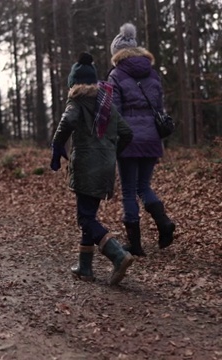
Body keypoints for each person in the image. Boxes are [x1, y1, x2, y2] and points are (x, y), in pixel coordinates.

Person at [50, 52, 135, 285]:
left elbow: (67, 121)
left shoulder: (77, 101)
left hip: (86, 166)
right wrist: (110, 153)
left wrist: (57, 145)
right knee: (89, 215)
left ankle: (118, 255)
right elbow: (127, 133)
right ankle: (85, 268)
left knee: (85, 218)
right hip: (105, 169)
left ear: (74, 84)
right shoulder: (106, 106)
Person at [107, 23, 176, 257]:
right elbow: (159, 107)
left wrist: (112, 138)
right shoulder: (152, 73)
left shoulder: (116, 75)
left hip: (128, 139)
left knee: (128, 191)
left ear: (116, 53)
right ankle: (164, 223)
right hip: (152, 137)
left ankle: (135, 244)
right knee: (144, 186)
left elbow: (114, 112)